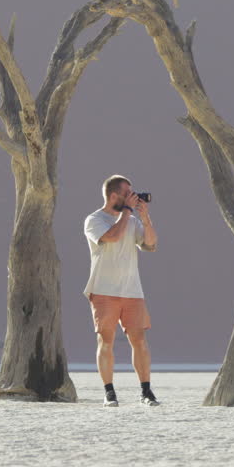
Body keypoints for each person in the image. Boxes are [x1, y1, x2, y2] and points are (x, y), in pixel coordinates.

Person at [83, 174, 159, 406]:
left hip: (132, 291)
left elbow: (151, 245)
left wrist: (145, 218)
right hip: (103, 290)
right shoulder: (94, 220)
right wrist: (126, 211)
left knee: (140, 340)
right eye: (127, 194)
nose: (132, 197)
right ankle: (109, 393)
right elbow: (112, 237)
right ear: (114, 196)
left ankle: (146, 392)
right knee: (105, 340)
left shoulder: (133, 221)